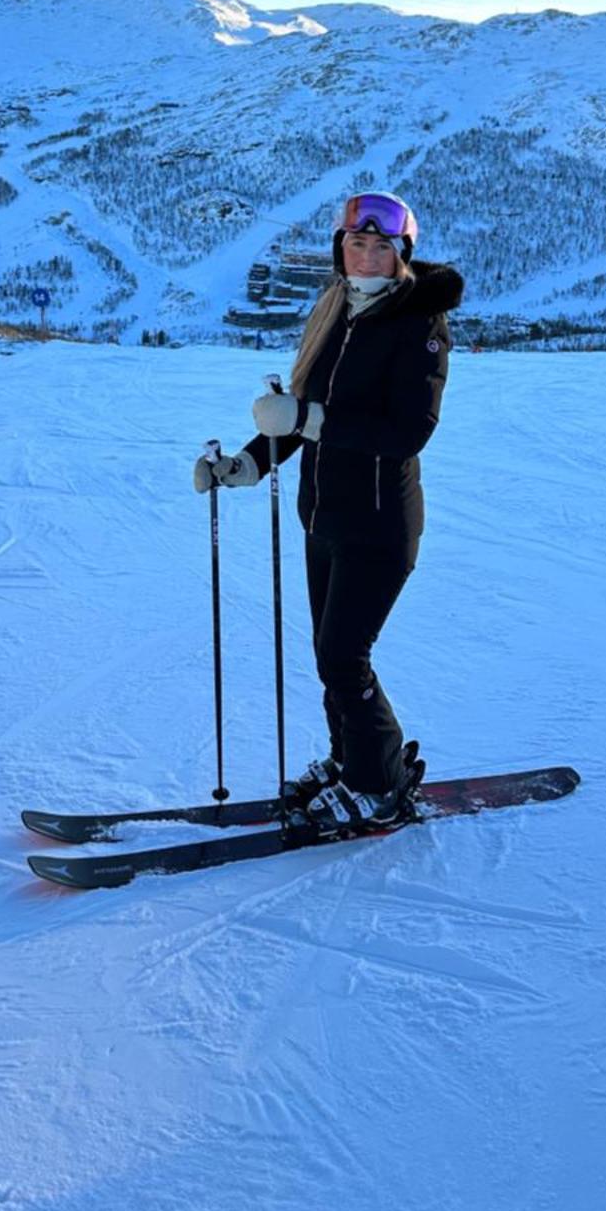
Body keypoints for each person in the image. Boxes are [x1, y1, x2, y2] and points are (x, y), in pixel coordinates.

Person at [193, 191, 463, 836]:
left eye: (381, 245)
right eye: (355, 241)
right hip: (325, 515)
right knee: (328, 656)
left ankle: (380, 785)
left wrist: (308, 418)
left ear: (402, 256)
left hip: (379, 523)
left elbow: (407, 433)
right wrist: (250, 464)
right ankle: (355, 764)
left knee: (346, 659)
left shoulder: (417, 324)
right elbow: (305, 418)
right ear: (339, 247)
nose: (365, 252)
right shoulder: (335, 310)